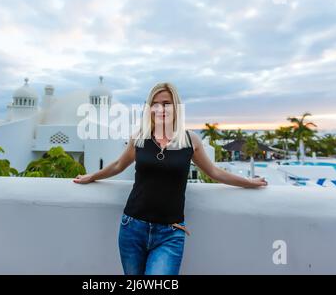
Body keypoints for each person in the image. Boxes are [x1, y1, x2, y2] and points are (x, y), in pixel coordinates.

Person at [73, 82, 268, 275]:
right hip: (132, 228)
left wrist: (249, 182)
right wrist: (92, 176)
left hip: (170, 234)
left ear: (176, 107)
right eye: (155, 104)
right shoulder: (140, 138)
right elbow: (118, 165)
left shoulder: (190, 140)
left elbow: (214, 172)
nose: (160, 108)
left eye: (166, 103)